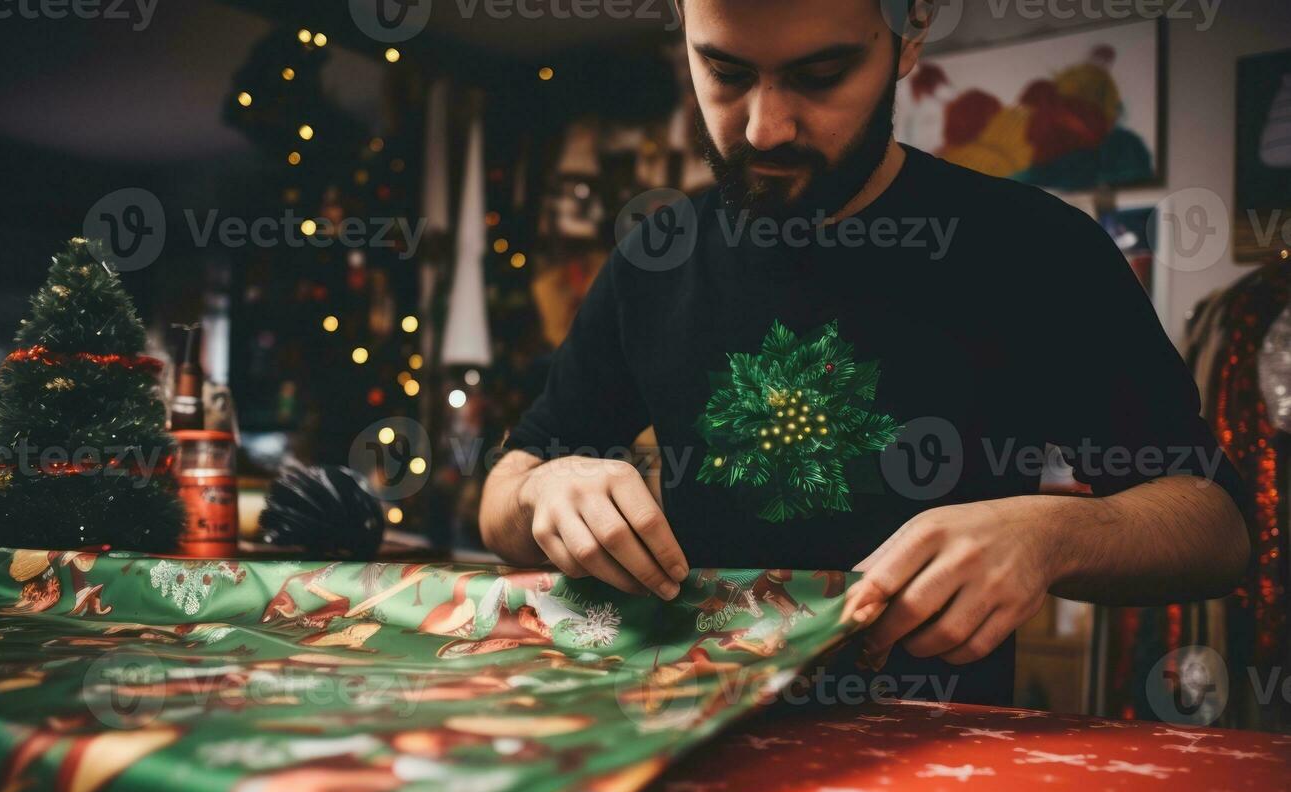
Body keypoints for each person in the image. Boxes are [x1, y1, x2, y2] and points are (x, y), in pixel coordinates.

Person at [478, 0, 1249, 706]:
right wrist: (544, 489)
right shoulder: (652, 258)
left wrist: (1051, 535)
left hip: (931, 765)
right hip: (687, 740)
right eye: (725, 72)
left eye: (820, 75)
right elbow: (505, 494)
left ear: (910, 32)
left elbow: (1216, 528)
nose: (763, 129)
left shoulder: (1035, 251)